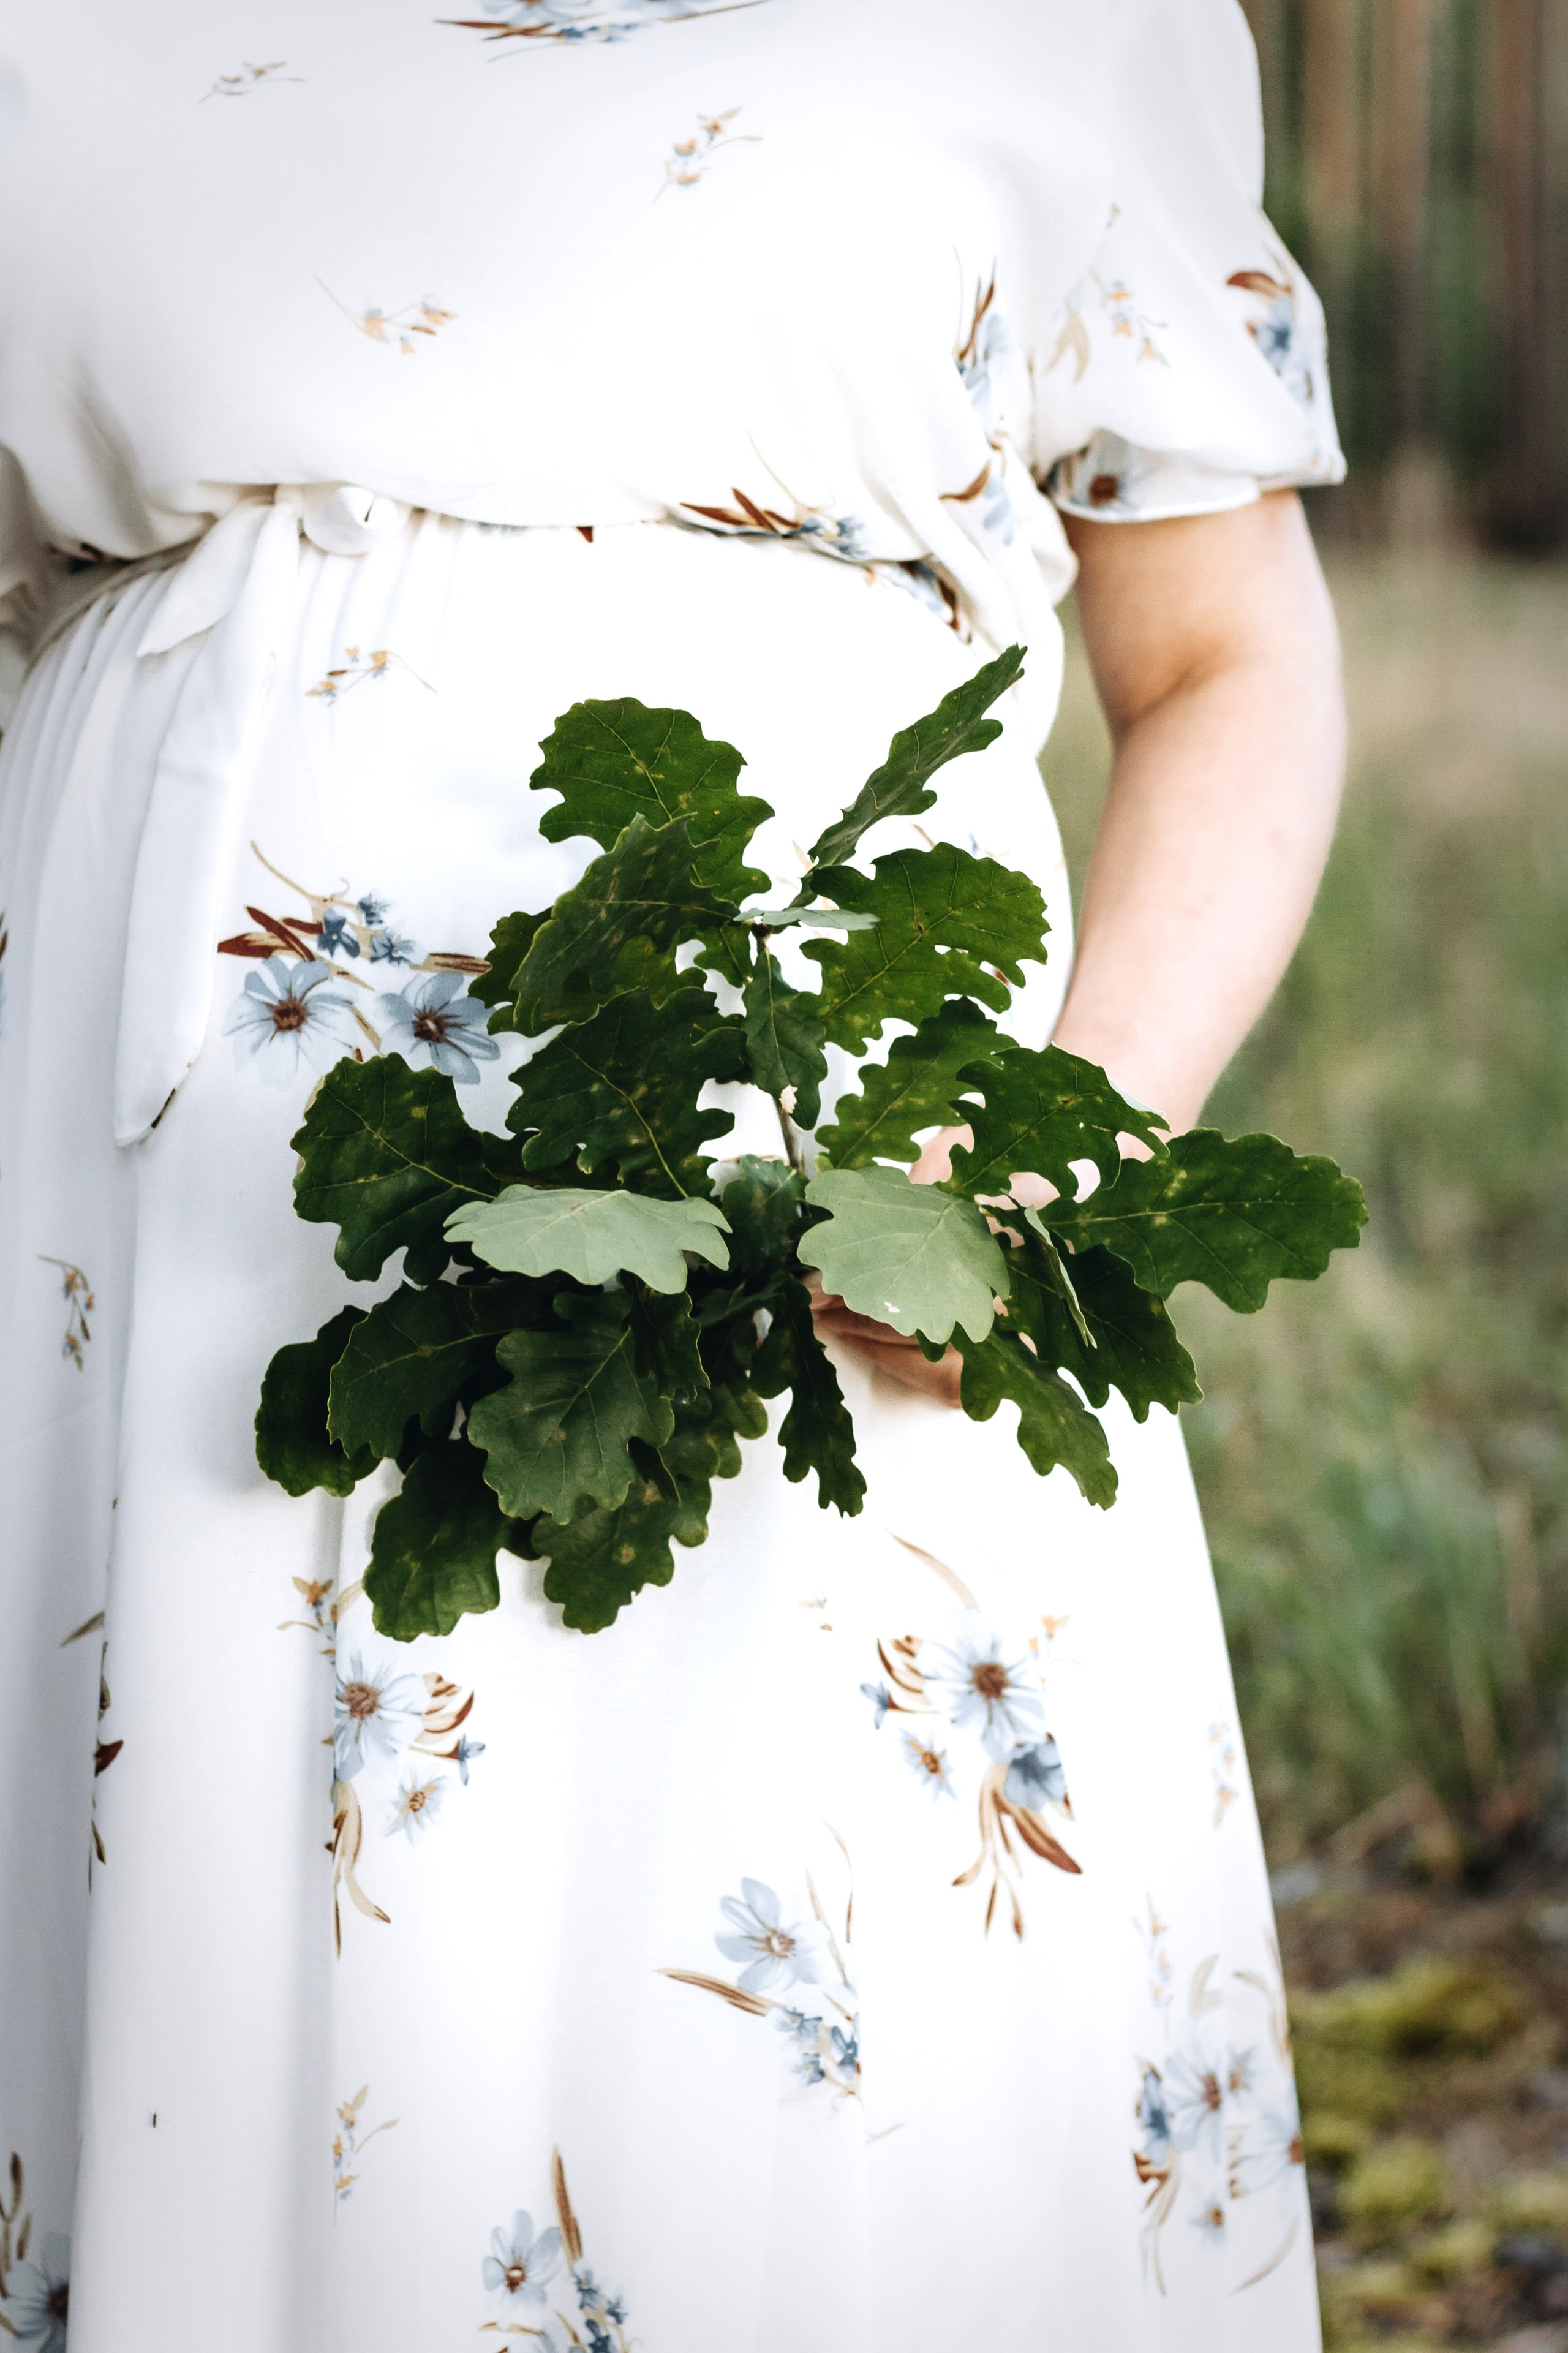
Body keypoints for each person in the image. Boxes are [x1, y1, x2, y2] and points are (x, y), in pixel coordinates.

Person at [0, 3, 1344, 2347]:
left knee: (780, 2013)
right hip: (145, 1248)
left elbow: (1226, 653)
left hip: (827, 1220)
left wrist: (1049, 1149)